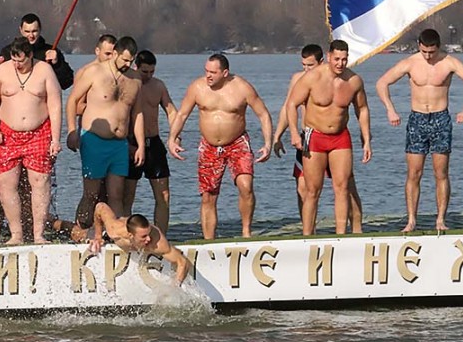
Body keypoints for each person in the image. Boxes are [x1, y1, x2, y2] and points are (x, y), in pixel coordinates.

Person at [376, 28, 463, 231]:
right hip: (417, 119)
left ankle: (440, 219)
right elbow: (382, 83)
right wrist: (390, 110)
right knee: (413, 173)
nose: (428, 56)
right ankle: (411, 220)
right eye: (425, 51)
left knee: (441, 172)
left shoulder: (449, 62)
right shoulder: (410, 62)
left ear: (438, 47)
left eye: (432, 52)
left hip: (440, 118)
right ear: (419, 46)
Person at [0, 13, 75, 242]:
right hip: (8, 132)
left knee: (40, 182)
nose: (18, 65)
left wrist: (56, 138)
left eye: (34, 31)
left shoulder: (46, 63)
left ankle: (38, 235)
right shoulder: (4, 64)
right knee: (6, 183)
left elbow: (58, 101)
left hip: (39, 131)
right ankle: (15, 234)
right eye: (27, 31)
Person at [168, 53, 272, 239]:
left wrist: (268, 143)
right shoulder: (197, 87)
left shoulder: (242, 87)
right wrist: (172, 138)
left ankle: (246, 231)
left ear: (225, 72)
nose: (208, 76)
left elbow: (263, 114)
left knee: (245, 185)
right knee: (209, 195)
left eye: (213, 72)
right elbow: (182, 114)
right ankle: (209, 239)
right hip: (209, 146)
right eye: (206, 71)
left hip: (237, 143)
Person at [287, 40, 372, 235]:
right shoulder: (312, 78)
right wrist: (293, 133)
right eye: (336, 59)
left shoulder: (354, 81)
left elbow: (363, 109)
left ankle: (341, 234)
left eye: (344, 59)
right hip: (314, 135)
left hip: (340, 137)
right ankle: (308, 235)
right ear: (329, 56)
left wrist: (366, 139)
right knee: (312, 190)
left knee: (342, 187)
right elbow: (292, 104)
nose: (340, 64)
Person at [66, 36, 144, 229]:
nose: (128, 64)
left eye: (131, 61)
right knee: (92, 193)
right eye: (124, 60)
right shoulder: (95, 72)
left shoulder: (135, 79)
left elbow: (138, 113)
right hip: (94, 139)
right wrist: (72, 131)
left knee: (117, 193)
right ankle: (83, 229)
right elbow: (72, 100)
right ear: (115, 53)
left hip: (119, 144)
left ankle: (114, 233)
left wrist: (140, 145)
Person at [122, 50, 176, 233]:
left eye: (152, 71)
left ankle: (162, 235)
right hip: (130, 144)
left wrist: (175, 134)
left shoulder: (158, 86)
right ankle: (128, 234)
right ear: (135, 67)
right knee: (127, 195)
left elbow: (171, 111)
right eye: (145, 72)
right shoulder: (127, 84)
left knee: (163, 194)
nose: (149, 75)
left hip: (153, 143)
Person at [86, 202, 190, 285]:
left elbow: (182, 261)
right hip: (115, 232)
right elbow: (100, 207)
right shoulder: (114, 230)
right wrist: (98, 236)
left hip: (133, 234)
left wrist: (175, 287)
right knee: (81, 235)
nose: (149, 239)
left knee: (175, 251)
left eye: (148, 234)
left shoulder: (156, 241)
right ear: (131, 236)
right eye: (144, 237)